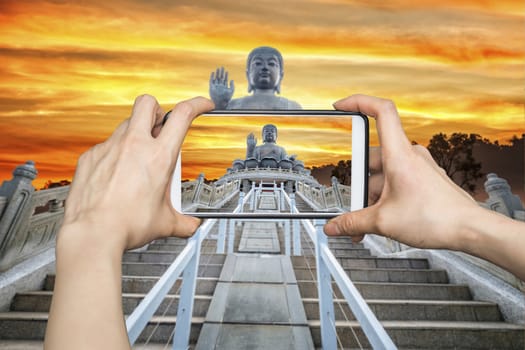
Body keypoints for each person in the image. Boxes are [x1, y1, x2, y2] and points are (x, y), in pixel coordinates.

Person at [44, 94, 525, 349]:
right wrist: (473, 225)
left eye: (273, 131)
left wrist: (92, 241)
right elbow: (240, 169)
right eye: (268, 132)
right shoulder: (260, 144)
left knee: (284, 162)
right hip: (250, 177)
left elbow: (291, 164)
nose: (271, 134)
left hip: (278, 179)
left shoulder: (281, 145)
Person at [209, 46, 302, 109]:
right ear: (247, 73)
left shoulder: (292, 106)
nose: (265, 67)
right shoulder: (234, 105)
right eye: (258, 63)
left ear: (281, 75)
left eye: (271, 64)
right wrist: (220, 104)